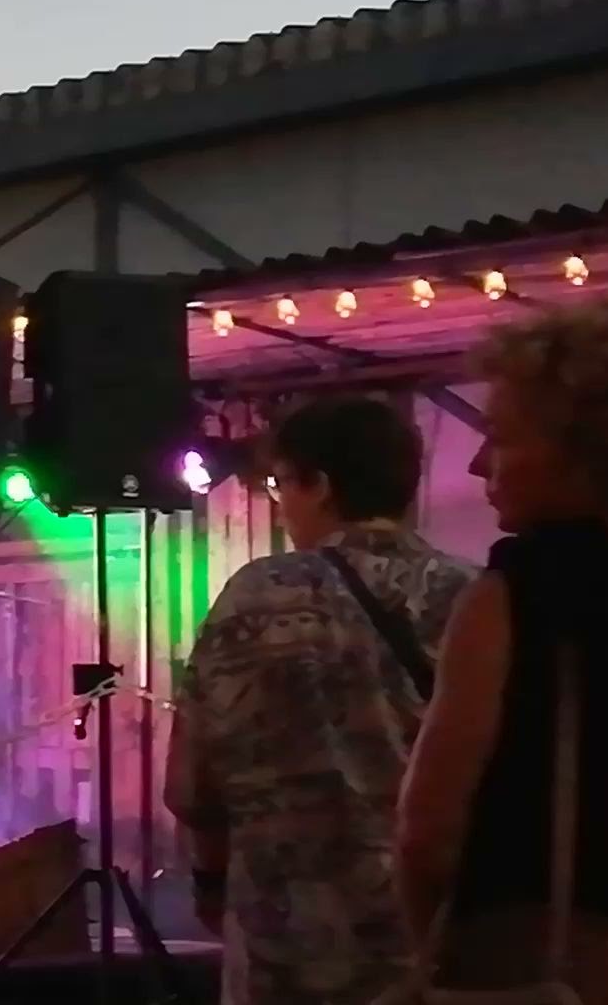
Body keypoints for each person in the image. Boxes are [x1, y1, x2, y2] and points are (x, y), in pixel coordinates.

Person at [164, 395, 477, 1005]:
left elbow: (193, 782)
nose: (281, 507)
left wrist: (209, 880)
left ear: (323, 487)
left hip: (284, 947)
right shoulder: (468, 594)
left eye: (282, 484)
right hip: (432, 939)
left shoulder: (254, 596)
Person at [397, 301, 608, 1000]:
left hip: (554, 962)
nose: (478, 464)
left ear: (582, 449)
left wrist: (432, 950)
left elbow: (429, 829)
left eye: (499, 438)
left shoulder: (521, 592)